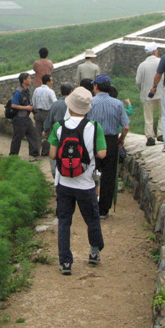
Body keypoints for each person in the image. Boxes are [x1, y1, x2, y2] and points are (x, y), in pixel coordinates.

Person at [47, 86, 107, 275]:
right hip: (86, 183)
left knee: (64, 222)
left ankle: (65, 262)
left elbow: (52, 154)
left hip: (64, 183)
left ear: (70, 106)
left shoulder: (59, 127)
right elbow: (102, 154)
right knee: (92, 219)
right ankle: (94, 253)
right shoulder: (95, 127)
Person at [87, 74, 130, 219]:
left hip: (93, 140)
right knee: (109, 176)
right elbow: (126, 127)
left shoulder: (90, 102)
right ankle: (103, 210)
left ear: (96, 86)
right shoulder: (117, 104)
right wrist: (121, 140)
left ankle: (89, 206)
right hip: (111, 141)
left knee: (89, 172)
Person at [43, 82, 75, 177]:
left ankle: (55, 173)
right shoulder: (73, 105)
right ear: (71, 92)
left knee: (54, 154)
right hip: (70, 135)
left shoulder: (56, 104)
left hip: (56, 134)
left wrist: (45, 130)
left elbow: (49, 119)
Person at [135, 42, 164, 146]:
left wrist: (141, 90)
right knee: (163, 114)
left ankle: (150, 137)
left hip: (147, 94)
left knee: (148, 117)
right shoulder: (161, 62)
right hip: (161, 92)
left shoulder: (142, 65)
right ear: (155, 52)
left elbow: (138, 81)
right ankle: (161, 134)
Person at [9, 72, 40, 161]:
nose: (31, 80)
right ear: (24, 80)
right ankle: (13, 156)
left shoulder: (26, 91)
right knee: (17, 138)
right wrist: (26, 107)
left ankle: (34, 155)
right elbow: (14, 105)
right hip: (19, 119)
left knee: (33, 135)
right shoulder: (18, 92)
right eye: (29, 78)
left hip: (26, 118)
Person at [32, 74, 57, 157]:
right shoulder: (50, 91)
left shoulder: (36, 90)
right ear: (48, 82)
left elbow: (33, 103)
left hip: (38, 113)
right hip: (47, 113)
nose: (52, 82)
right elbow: (55, 103)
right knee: (48, 133)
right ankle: (45, 151)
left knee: (38, 134)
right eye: (51, 80)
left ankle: (36, 152)